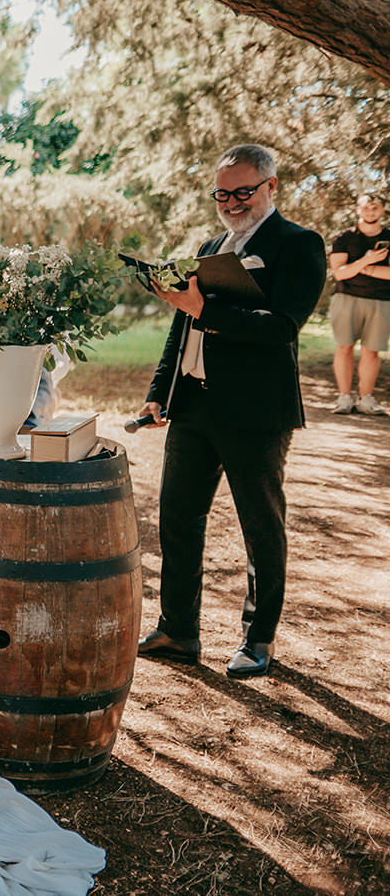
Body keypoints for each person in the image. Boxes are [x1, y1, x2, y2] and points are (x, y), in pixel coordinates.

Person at [135, 143, 327, 680]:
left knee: (260, 528)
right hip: (193, 405)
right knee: (177, 518)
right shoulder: (209, 245)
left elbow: (282, 328)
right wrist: (159, 391)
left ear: (271, 187)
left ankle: (258, 639)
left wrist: (207, 308)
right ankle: (178, 630)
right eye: (223, 193)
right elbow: (183, 326)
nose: (233, 202)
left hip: (255, 413)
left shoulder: (299, 245)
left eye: (244, 191)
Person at [327, 190, 390, 415]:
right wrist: (369, 260)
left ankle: (366, 399)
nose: (370, 211)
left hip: (381, 301)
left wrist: (362, 268)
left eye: (375, 207)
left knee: (371, 351)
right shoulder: (344, 238)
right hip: (346, 298)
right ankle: (344, 398)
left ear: (383, 210)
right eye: (365, 207)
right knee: (344, 348)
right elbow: (339, 274)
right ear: (357, 210)